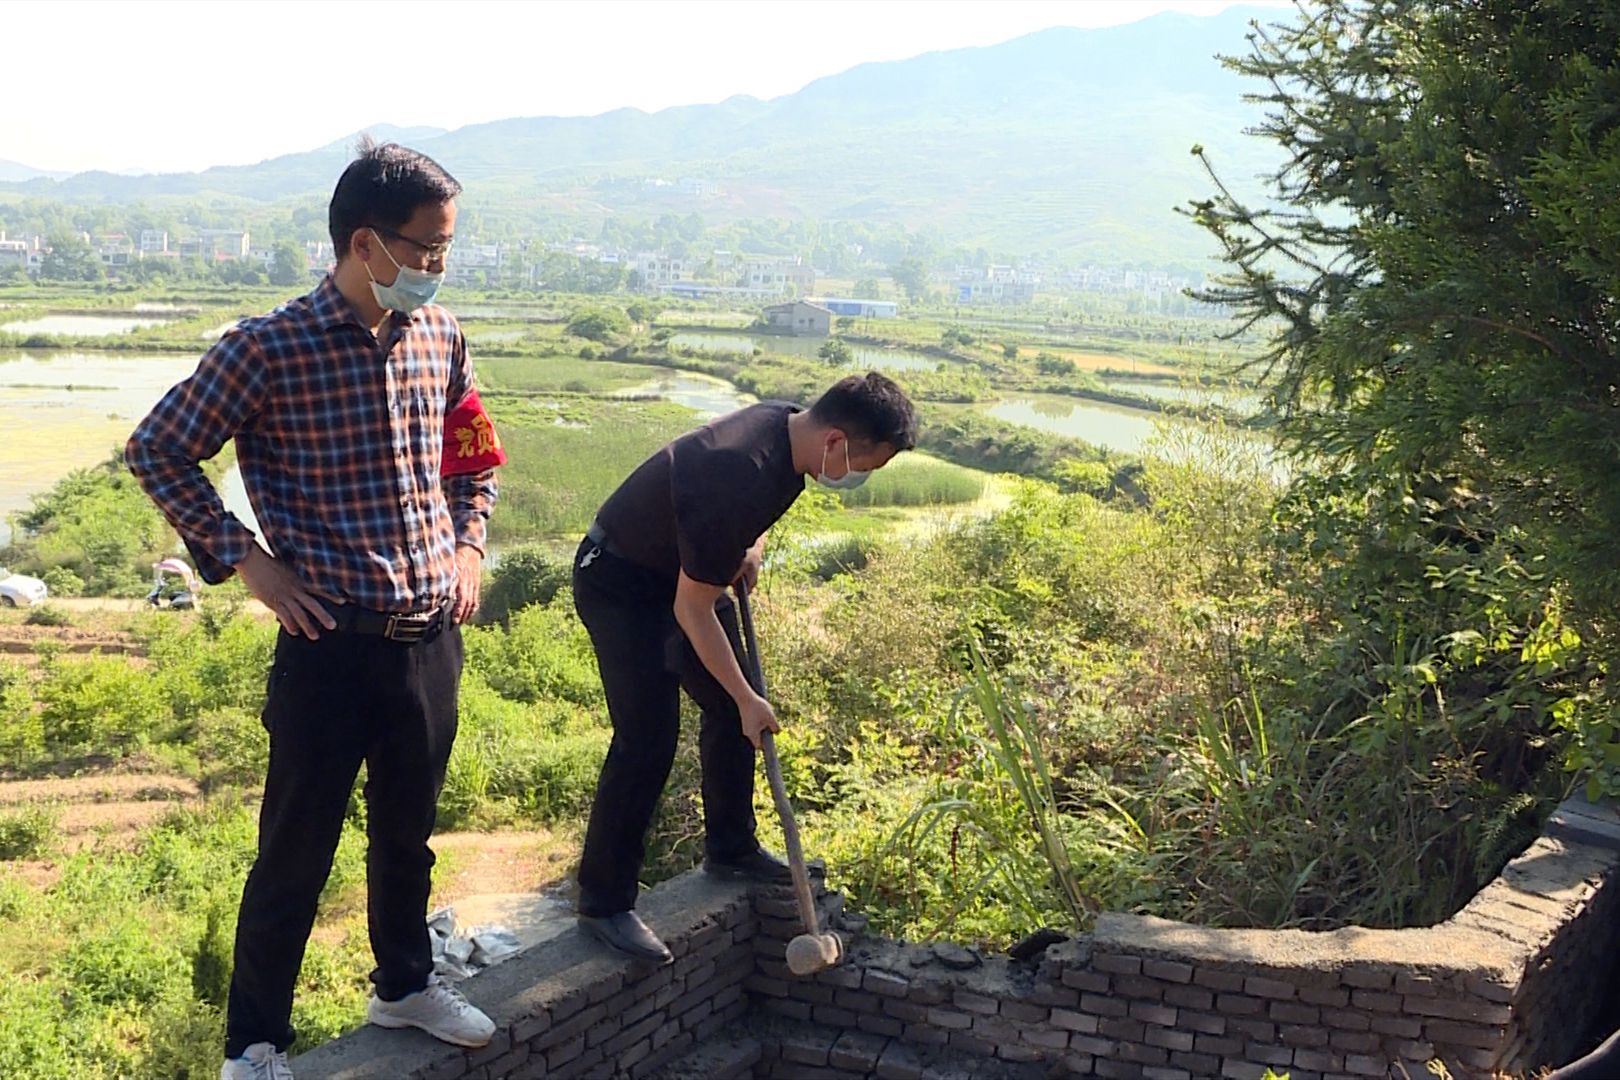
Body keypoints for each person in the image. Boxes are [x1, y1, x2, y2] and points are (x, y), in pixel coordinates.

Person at [125, 140, 502, 1080]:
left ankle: (404, 983)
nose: (436, 268)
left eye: (446, 250)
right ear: (365, 243)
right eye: (426, 250)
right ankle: (253, 1045)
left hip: (428, 638)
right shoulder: (269, 347)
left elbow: (474, 457)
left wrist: (468, 546)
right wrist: (247, 563)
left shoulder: (440, 337)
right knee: (295, 852)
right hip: (328, 640)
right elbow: (158, 449)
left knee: (407, 836)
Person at [571, 372, 917, 963]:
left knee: (738, 709)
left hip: (678, 574)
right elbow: (692, 609)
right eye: (868, 465)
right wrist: (744, 697)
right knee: (650, 736)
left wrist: (744, 549)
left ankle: (730, 847)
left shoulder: (789, 430)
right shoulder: (739, 470)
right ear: (836, 441)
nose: (862, 479)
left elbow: (727, 536)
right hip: (622, 580)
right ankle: (604, 902)